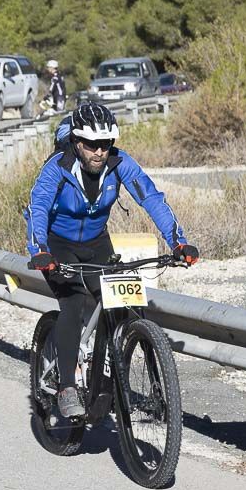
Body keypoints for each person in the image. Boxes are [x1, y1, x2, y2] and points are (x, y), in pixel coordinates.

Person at [25, 103, 198, 417]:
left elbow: (151, 198)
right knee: (75, 301)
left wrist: (179, 243)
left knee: (123, 306)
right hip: (57, 245)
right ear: (77, 142)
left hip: (96, 242)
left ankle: (109, 383)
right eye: (92, 145)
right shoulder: (58, 166)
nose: (99, 152)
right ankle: (66, 386)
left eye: (105, 144)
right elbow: (38, 206)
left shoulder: (120, 163)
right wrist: (39, 250)